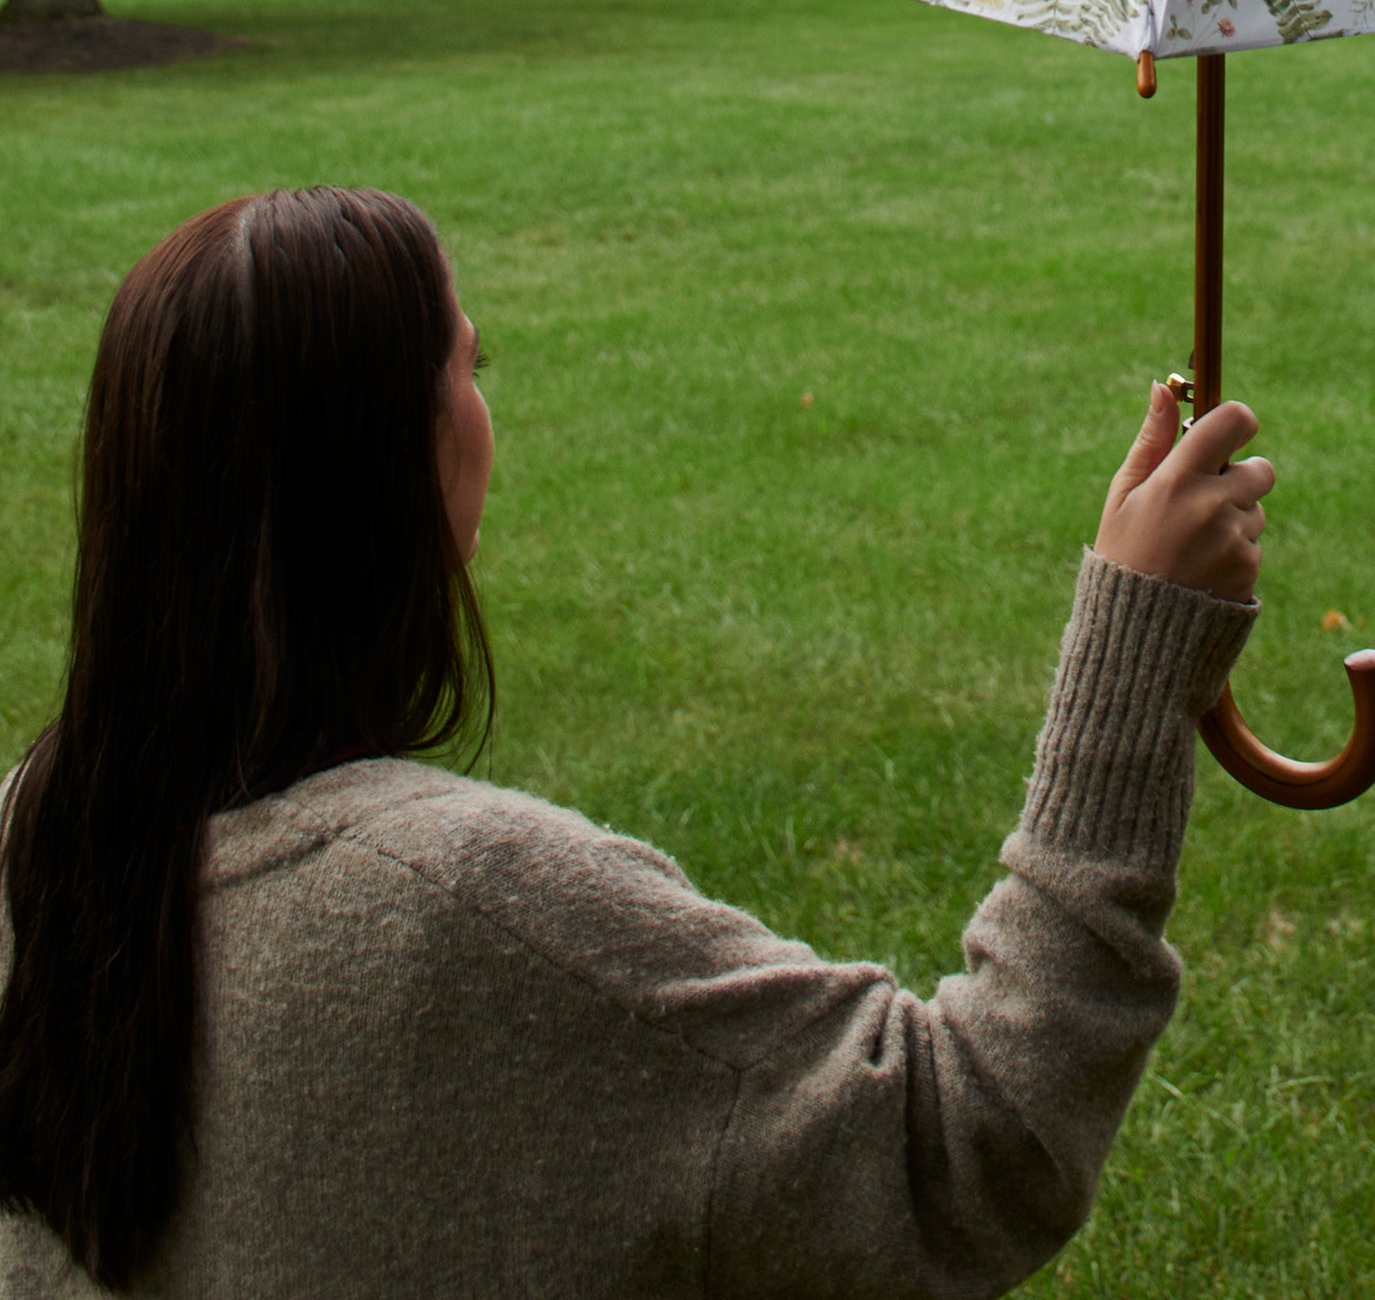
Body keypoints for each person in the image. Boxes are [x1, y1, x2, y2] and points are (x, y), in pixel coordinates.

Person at [0, 186, 1269, 1296]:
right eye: (468, 366)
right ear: (396, 459)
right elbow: (966, 1150)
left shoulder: (30, 841)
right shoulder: (471, 914)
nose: (482, 408)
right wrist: (1133, 647)